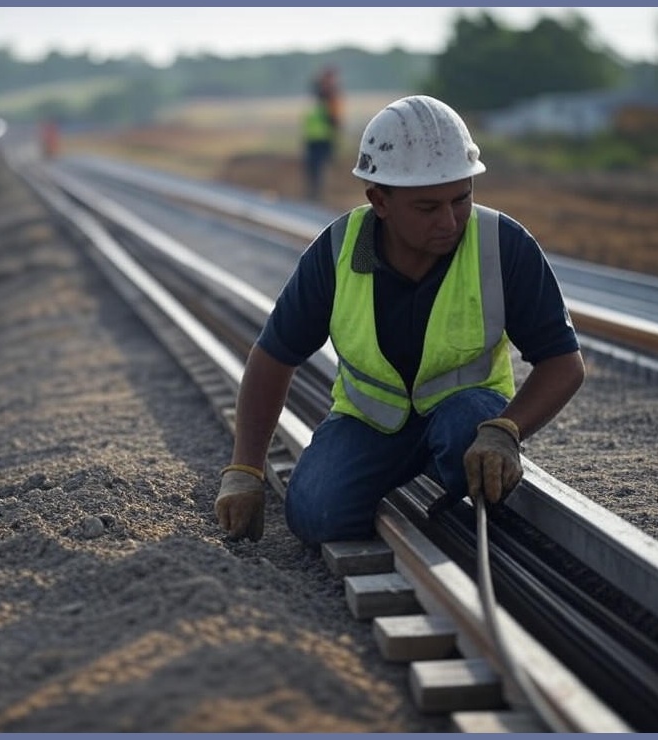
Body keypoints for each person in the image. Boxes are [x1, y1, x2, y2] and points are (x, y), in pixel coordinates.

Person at [216, 94, 586, 546]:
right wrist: (245, 470)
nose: (450, 221)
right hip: (369, 423)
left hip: (465, 420)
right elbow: (274, 357)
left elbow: (563, 363)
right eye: (428, 208)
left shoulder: (502, 246)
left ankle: (448, 479)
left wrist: (506, 431)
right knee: (315, 515)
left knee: (465, 433)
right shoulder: (337, 252)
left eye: (461, 198)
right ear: (380, 201)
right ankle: (412, 481)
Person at [302, 66, 341, 202]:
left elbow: (335, 119)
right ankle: (315, 193)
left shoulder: (331, 97)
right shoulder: (319, 95)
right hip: (313, 137)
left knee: (319, 165)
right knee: (313, 166)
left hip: (324, 137)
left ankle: (320, 194)